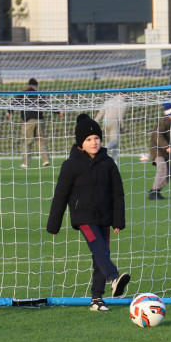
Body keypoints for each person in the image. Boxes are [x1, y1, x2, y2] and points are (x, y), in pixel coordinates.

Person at [47, 114, 130, 312]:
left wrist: (118, 219)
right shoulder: (70, 165)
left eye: (96, 138)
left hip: (104, 217)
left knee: (101, 254)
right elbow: (60, 196)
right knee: (99, 249)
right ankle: (113, 277)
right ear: (80, 143)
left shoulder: (108, 163)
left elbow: (118, 193)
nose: (93, 142)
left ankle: (97, 299)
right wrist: (54, 224)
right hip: (83, 216)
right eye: (88, 139)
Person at [5, 78, 61, 168]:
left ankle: (26, 162)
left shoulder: (23, 94)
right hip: (40, 120)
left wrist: (9, 111)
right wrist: (57, 111)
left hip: (28, 121)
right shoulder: (39, 94)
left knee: (26, 141)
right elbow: (46, 104)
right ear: (36, 86)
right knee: (41, 140)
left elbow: (15, 103)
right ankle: (46, 160)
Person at [148, 102, 171, 200]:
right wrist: (166, 146)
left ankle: (155, 190)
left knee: (170, 172)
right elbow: (158, 135)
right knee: (163, 169)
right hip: (157, 150)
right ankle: (154, 192)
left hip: (165, 152)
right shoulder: (164, 122)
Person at [95, 92, 126, 161]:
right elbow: (120, 117)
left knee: (113, 144)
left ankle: (114, 161)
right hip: (113, 122)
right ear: (125, 95)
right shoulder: (122, 103)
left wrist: (94, 122)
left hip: (105, 122)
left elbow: (101, 113)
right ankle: (102, 150)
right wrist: (122, 127)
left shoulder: (108, 101)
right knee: (114, 141)